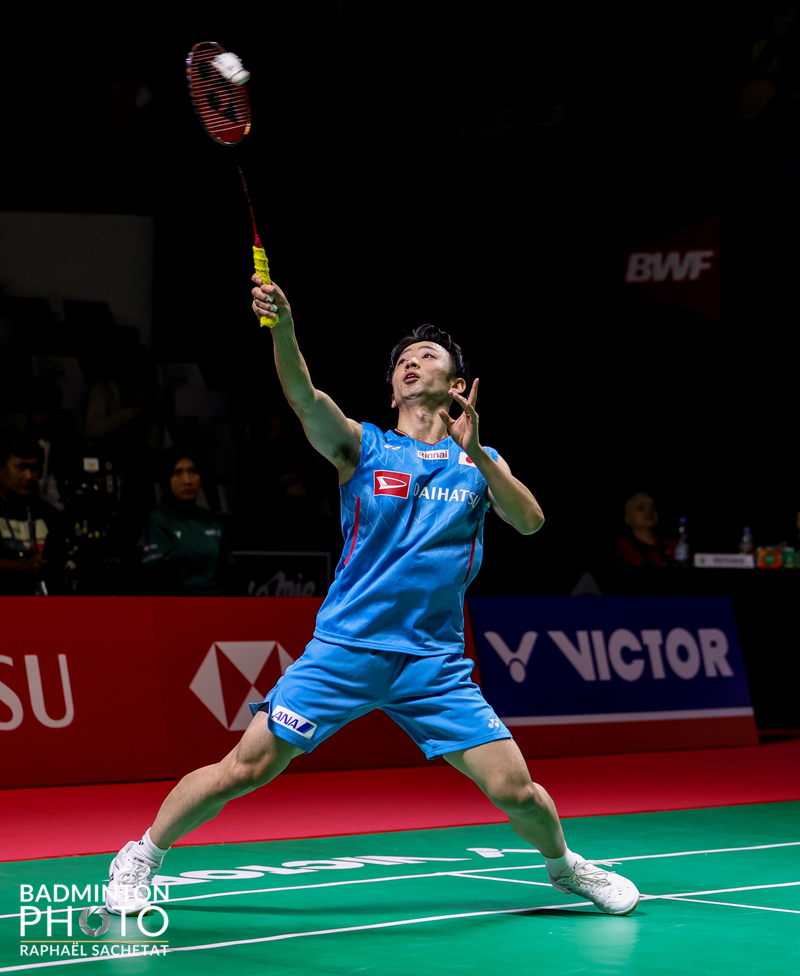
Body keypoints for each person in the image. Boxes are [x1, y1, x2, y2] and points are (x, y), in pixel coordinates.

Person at [106, 277, 639, 918]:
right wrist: (283, 328)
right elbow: (304, 397)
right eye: (402, 361)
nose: (411, 362)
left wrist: (478, 454)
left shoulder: (479, 462)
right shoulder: (364, 448)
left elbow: (530, 523)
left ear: (458, 386)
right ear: (392, 391)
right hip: (346, 649)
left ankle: (564, 867)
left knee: (516, 790)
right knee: (246, 767)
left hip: (433, 663)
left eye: (427, 356)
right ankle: (140, 855)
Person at [139, 448, 234, 596]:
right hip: (178, 603)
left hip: (218, 602)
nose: (187, 480)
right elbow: (158, 576)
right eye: (178, 472)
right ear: (166, 478)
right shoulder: (156, 520)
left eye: (192, 471)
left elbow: (229, 570)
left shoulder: (210, 520)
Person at [0, 433, 65, 595]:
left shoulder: (50, 514)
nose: (29, 476)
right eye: (21, 467)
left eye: (34, 469)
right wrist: (21, 568)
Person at [611, 492, 676, 567]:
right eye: (641, 508)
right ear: (627, 518)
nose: (649, 511)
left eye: (653, 507)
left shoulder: (673, 545)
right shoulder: (620, 547)